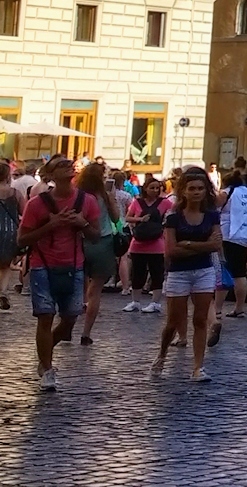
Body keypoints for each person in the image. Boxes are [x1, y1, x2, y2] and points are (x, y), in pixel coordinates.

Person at [17, 157, 100, 389]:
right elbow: (22, 239)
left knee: (71, 318)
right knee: (45, 316)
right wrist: (50, 225)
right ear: (50, 175)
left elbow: (96, 235)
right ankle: (47, 369)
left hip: (74, 265)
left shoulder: (87, 201)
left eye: (69, 164)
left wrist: (82, 223)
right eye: (60, 165)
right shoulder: (37, 204)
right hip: (42, 264)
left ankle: (45, 350)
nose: (68, 167)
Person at [154, 168, 221, 382]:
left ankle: (197, 367)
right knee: (174, 321)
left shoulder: (212, 216)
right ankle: (162, 355)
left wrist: (189, 244)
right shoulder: (174, 217)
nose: (196, 192)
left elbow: (216, 245)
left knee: (200, 320)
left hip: (203, 270)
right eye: (192, 188)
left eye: (200, 188)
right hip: (178, 272)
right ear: (183, 191)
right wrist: (204, 245)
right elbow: (171, 250)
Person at [73, 161, 122, 345]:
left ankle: (68, 326)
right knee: (96, 291)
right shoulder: (105, 196)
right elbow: (116, 219)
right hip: (103, 243)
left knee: (78, 287)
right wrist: (112, 200)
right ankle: (86, 333)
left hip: (80, 242)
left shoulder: (78, 196)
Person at [220, 168, 247, 318]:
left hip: (229, 234)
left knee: (224, 272)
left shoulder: (227, 193)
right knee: (239, 273)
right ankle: (239, 308)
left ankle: (217, 309)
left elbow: (214, 207)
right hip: (245, 235)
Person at [123, 174, 169, 314]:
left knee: (156, 273)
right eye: (152, 187)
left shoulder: (165, 203)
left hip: (157, 243)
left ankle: (155, 302)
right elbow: (128, 217)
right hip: (139, 243)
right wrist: (140, 219)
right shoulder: (137, 202)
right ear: (146, 188)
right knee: (137, 273)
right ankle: (135, 301)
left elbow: (175, 213)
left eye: (157, 188)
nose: (155, 190)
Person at [0, 161, 20, 309]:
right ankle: (3, 291)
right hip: (10, 231)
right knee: (6, 265)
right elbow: (26, 212)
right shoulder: (14, 193)